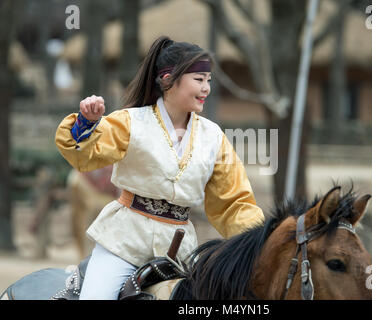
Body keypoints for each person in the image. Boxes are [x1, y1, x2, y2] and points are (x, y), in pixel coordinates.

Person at [54, 36, 265, 299]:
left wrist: (260, 242)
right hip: (122, 244)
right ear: (167, 80)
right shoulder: (131, 122)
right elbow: (84, 154)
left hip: (180, 254)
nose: (206, 88)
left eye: (208, 80)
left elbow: (234, 203)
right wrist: (86, 122)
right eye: (198, 80)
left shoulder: (214, 137)